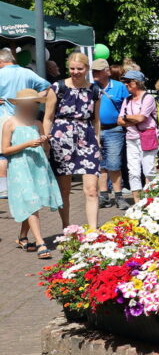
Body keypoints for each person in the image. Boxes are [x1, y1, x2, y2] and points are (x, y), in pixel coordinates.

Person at [43, 52, 102, 229]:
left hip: (87, 137)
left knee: (92, 189)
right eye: (72, 68)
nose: (75, 72)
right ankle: (66, 226)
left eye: (79, 68)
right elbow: (48, 117)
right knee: (64, 189)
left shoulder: (94, 90)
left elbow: (96, 119)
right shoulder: (57, 87)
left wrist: (97, 140)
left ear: (87, 69)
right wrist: (46, 141)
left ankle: (93, 231)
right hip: (62, 138)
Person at [3, 89, 61, 257]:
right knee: (31, 201)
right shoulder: (10, 123)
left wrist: (45, 142)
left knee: (33, 203)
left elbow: (46, 148)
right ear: (19, 105)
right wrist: (27, 144)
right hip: (19, 168)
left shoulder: (37, 123)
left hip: (37, 166)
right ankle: (41, 243)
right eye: (26, 105)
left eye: (33, 105)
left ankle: (22, 237)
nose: (30, 108)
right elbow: (5, 150)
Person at [0, 48, 51, 199]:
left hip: (4, 117)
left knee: (3, 153)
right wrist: (33, 101)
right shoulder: (26, 72)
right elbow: (47, 86)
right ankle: (28, 183)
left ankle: (3, 187)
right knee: (25, 151)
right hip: (26, 119)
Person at [92, 58, 131, 209]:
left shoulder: (119, 87)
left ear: (106, 72)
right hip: (96, 130)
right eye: (93, 70)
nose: (94, 73)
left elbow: (128, 105)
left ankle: (119, 196)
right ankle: (103, 196)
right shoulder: (91, 87)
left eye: (97, 71)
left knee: (114, 164)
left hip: (114, 130)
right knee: (100, 165)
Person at [117, 70, 158, 202]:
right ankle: (137, 203)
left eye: (128, 82)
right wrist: (130, 119)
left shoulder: (148, 98)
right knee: (133, 171)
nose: (126, 84)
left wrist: (126, 117)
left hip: (147, 137)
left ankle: (150, 200)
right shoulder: (127, 100)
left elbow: (141, 118)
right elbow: (119, 121)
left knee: (149, 171)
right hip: (131, 138)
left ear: (137, 83)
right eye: (125, 82)